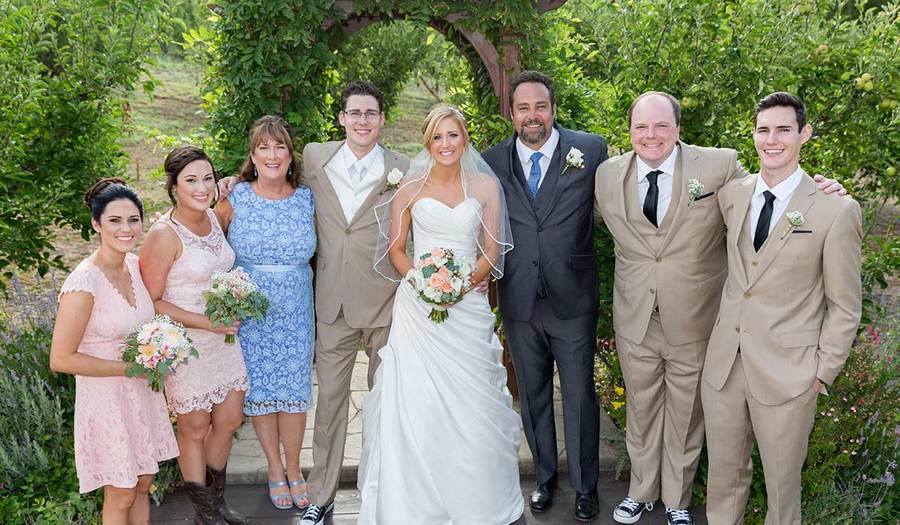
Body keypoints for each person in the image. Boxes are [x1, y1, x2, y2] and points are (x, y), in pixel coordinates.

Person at [593, 92, 846, 525]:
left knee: (687, 415)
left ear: (678, 129)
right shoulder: (606, 175)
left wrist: (823, 191)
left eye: (661, 126)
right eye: (641, 127)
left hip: (697, 317)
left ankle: (676, 498)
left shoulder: (719, 168)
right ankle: (640, 490)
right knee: (641, 408)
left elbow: (773, 191)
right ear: (629, 131)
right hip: (635, 316)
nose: (650, 135)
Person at [357, 103, 523, 524]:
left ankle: (474, 497)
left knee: (473, 401)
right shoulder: (410, 188)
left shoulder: (485, 186)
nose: (445, 144)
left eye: (453, 135)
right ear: (427, 142)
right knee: (417, 400)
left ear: (463, 139)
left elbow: (491, 250)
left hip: (467, 308)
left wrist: (462, 285)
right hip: (417, 309)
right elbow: (396, 249)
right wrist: (421, 282)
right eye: (437, 137)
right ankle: (413, 501)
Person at [702, 92, 861, 524]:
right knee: (723, 484)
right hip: (724, 366)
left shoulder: (835, 209)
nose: (772, 140)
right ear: (754, 135)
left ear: (804, 134)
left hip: (790, 374)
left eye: (784, 130)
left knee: (782, 492)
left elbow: (844, 305)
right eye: (763, 130)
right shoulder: (732, 195)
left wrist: (821, 372)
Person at [482, 70, 608, 521]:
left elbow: (627, 190)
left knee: (578, 396)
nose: (532, 116)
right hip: (518, 300)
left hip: (572, 298)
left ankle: (587, 487)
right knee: (532, 395)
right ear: (510, 113)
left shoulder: (590, 150)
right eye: (523, 107)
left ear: (553, 109)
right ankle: (546, 479)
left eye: (540, 106)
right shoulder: (491, 161)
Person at [297, 81, 410, 525]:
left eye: (371, 113)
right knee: (329, 405)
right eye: (354, 113)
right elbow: (273, 173)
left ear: (382, 120)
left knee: (386, 403)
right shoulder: (314, 158)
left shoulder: (403, 167)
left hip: (386, 300)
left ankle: (382, 496)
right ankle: (320, 496)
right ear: (341, 118)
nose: (362, 121)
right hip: (333, 301)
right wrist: (234, 179)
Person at [49, 178, 179, 524]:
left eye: (133, 220)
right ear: (96, 223)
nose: (126, 229)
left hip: (142, 393)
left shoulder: (136, 266)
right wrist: (129, 368)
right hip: (107, 398)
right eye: (115, 221)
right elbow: (61, 359)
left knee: (143, 482)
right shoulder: (83, 283)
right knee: (120, 491)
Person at [139, 146, 250, 524]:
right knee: (195, 427)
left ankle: (216, 503)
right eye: (191, 180)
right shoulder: (163, 235)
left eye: (207, 178)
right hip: (186, 344)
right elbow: (151, 300)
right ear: (173, 187)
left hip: (223, 340)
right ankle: (205, 514)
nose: (202, 187)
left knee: (231, 419)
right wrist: (204, 323)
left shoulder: (215, 219)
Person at [215, 116, 317, 511]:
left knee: (293, 392)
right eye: (263, 148)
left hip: (295, 308)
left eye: (280, 147)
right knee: (262, 392)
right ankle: (274, 467)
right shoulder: (234, 198)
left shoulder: (307, 198)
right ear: (253, 155)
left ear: (290, 156)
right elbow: (209, 246)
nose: (272, 155)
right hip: (251, 311)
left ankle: (295, 468)